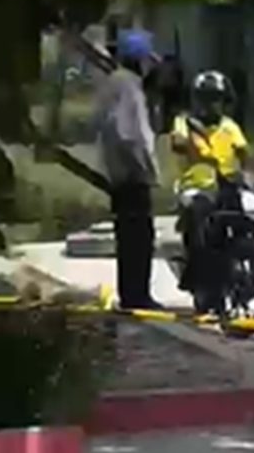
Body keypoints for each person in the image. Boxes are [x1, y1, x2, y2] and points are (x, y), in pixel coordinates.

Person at [170, 70, 254, 320]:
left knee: (248, 217)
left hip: (228, 185)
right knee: (198, 214)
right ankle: (199, 279)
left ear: (225, 101)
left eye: (216, 99)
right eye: (205, 99)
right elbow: (177, 143)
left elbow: (245, 155)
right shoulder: (185, 122)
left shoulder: (229, 127)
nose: (210, 104)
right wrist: (197, 152)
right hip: (196, 186)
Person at [94, 29, 163, 310]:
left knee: (128, 235)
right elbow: (128, 135)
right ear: (141, 60)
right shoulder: (129, 86)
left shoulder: (114, 83)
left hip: (118, 172)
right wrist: (144, 169)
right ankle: (138, 297)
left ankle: (131, 294)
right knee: (139, 237)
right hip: (132, 175)